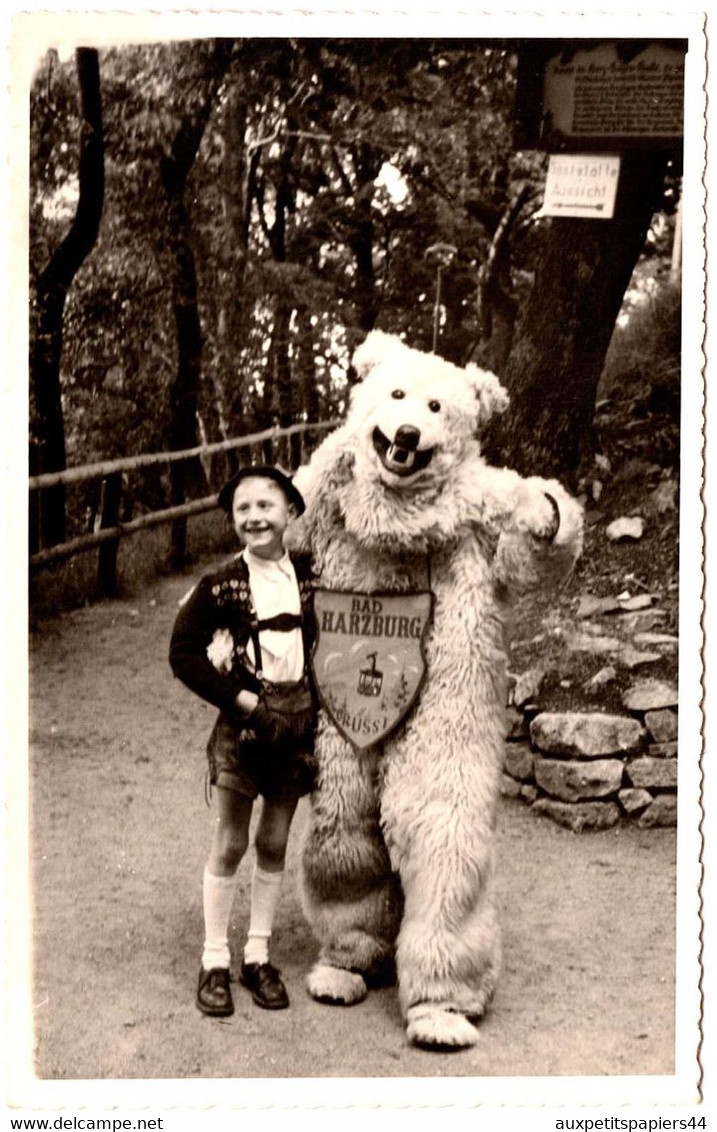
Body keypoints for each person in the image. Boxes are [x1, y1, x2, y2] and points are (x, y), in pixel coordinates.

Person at [169, 465, 316, 1017]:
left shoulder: (310, 575)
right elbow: (182, 653)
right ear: (234, 522)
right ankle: (213, 961)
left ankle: (258, 955)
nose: (255, 517)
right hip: (245, 727)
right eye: (243, 510)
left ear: (290, 512)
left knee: (275, 840)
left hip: (297, 724)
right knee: (232, 841)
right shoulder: (219, 584)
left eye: (266, 505)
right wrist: (241, 700)